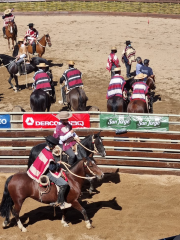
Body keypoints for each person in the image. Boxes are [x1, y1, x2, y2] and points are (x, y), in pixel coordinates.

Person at [27, 135, 72, 209]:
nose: (54, 147)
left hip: (40, 170)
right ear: (51, 145)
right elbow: (51, 168)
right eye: (54, 146)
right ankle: (61, 203)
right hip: (47, 173)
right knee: (64, 184)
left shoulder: (44, 150)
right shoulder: (49, 155)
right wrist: (58, 164)